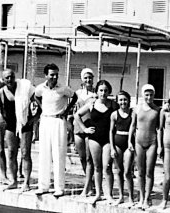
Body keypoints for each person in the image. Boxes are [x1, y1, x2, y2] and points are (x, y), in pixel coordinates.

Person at [34, 63, 78, 197]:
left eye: (56, 74)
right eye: (52, 74)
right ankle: (43, 186)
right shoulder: (41, 88)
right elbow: (35, 96)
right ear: (46, 75)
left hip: (58, 121)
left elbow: (74, 97)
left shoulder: (63, 88)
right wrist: (41, 107)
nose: (54, 77)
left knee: (58, 154)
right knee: (44, 154)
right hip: (45, 120)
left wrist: (67, 111)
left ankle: (59, 187)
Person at [0, 69, 40, 192]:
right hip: (10, 124)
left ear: (15, 77)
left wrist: (35, 118)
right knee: (11, 153)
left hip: (25, 123)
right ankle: (14, 181)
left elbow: (39, 102)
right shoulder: (1, 92)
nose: (9, 80)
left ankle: (26, 182)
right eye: (7, 78)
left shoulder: (24, 89)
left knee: (25, 153)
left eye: (11, 77)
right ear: (3, 80)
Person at [76, 80, 118, 205]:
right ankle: (99, 194)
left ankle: (109, 194)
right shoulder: (91, 103)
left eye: (105, 90)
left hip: (108, 139)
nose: (103, 93)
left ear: (109, 91)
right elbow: (77, 115)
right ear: (97, 91)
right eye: (101, 90)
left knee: (107, 167)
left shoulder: (113, 105)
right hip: (94, 138)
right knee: (97, 167)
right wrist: (84, 129)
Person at [129, 84, 160, 209]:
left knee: (149, 171)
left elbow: (159, 128)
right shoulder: (137, 109)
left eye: (151, 95)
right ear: (143, 95)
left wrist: (160, 146)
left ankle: (147, 198)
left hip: (152, 142)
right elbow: (132, 125)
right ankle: (141, 196)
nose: (149, 97)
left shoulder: (157, 110)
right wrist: (129, 142)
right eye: (146, 95)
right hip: (139, 142)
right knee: (140, 172)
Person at [109, 90, 135, 205]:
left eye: (125, 99)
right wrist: (112, 148)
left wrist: (130, 142)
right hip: (117, 142)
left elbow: (132, 128)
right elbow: (111, 131)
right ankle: (120, 196)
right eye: (120, 100)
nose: (123, 102)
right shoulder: (114, 114)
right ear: (117, 101)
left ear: (128, 100)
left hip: (128, 143)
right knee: (119, 171)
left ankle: (131, 197)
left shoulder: (133, 113)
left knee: (127, 171)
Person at [73, 68, 95, 197]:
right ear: (82, 79)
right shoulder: (77, 93)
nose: (88, 80)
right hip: (78, 128)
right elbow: (73, 111)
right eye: (85, 78)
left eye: (90, 77)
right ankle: (90, 183)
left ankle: (90, 186)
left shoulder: (97, 94)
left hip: (91, 128)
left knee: (89, 158)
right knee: (82, 158)